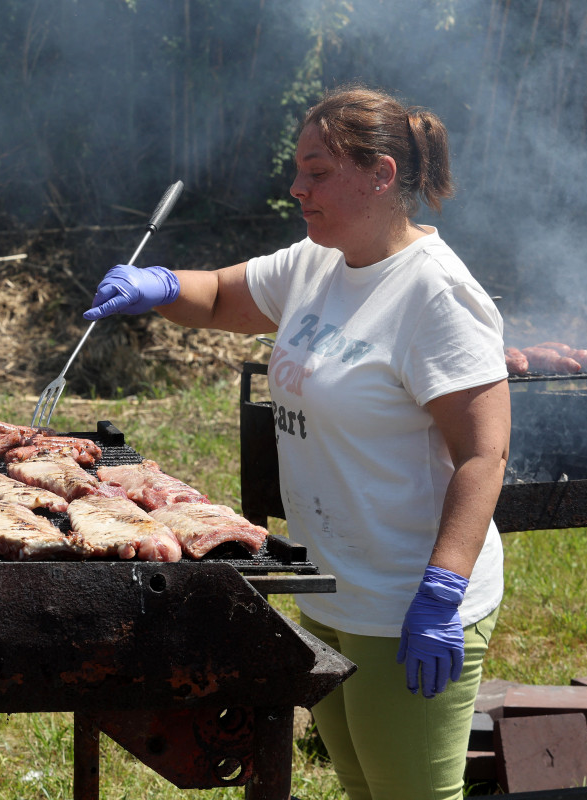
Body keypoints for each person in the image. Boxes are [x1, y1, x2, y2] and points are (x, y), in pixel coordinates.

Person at [85, 84, 509, 800]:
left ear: (380, 174)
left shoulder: (434, 294)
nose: (296, 187)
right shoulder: (319, 262)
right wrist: (157, 285)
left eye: (316, 171)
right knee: (363, 787)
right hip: (333, 588)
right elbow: (220, 296)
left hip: (407, 601)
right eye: (297, 169)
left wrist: (441, 593)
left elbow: (483, 454)